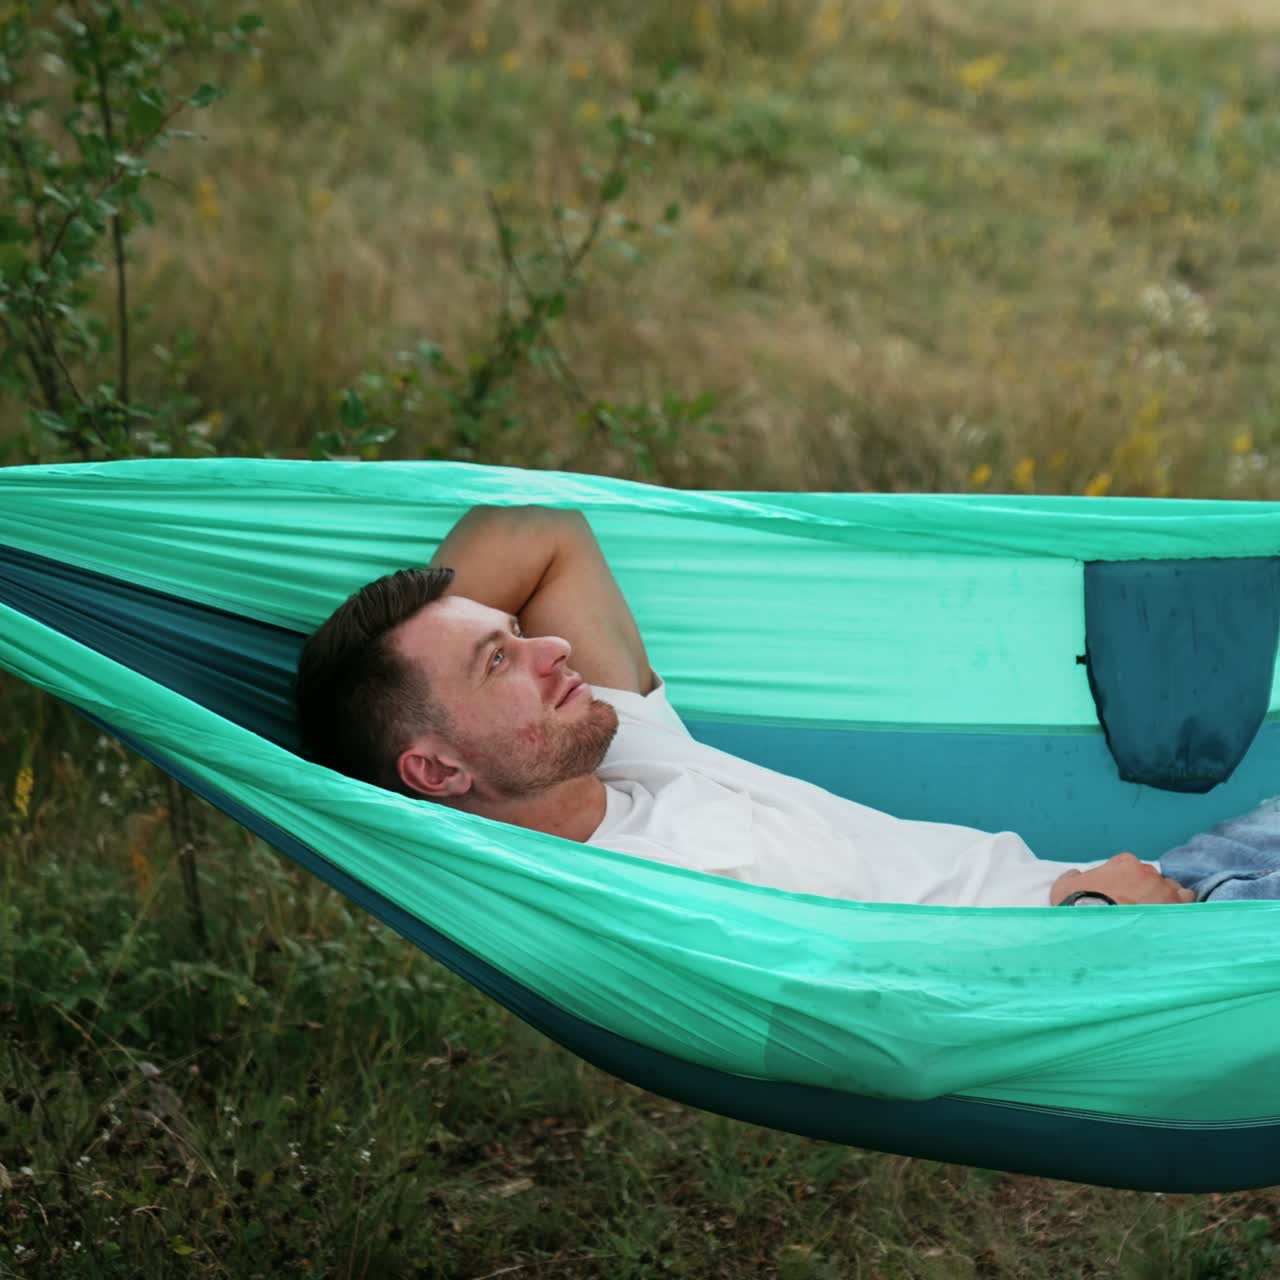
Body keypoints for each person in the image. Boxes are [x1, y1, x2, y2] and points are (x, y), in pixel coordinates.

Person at [295, 504, 1280, 907]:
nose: (551, 648)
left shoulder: (624, 758)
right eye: (500, 658)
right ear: (435, 771)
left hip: (1175, 881)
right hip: (1133, 945)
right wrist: (1082, 919)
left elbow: (543, 534)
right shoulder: (634, 902)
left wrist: (433, 660)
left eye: (516, 633)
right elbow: (895, 1031)